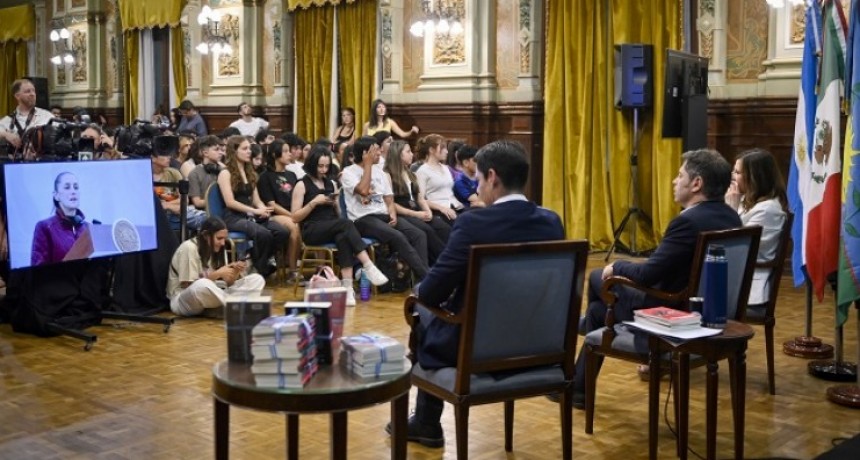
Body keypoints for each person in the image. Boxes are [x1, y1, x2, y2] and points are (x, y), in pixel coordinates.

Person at [387, 140, 565, 448]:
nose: (477, 186)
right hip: (539, 342)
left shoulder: (474, 223)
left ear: (492, 177)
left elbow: (432, 291)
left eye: (479, 178)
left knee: (419, 301)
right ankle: (426, 420)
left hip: (478, 348)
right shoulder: (551, 222)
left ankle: (427, 422)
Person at [569, 148, 743, 408]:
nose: (674, 181)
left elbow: (649, 275)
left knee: (597, 277)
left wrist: (616, 266)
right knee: (598, 309)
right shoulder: (731, 216)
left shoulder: (687, 222)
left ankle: (587, 331)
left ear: (696, 184)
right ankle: (580, 384)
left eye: (679, 175)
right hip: (711, 309)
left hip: (675, 313)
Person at [290, 145, 389, 305]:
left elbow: (337, 214)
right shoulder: (302, 184)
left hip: (331, 226)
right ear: (312, 164)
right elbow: (294, 217)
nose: (323, 169)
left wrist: (335, 203)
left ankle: (348, 290)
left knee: (343, 236)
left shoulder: (330, 183)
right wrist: (313, 203)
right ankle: (368, 265)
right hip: (311, 229)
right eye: (320, 166)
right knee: (345, 225)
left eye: (326, 166)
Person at [340, 136, 431, 280]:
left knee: (418, 234)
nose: (379, 152)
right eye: (375, 150)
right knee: (398, 237)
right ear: (365, 153)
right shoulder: (348, 172)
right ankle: (427, 278)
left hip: (383, 215)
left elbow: (388, 197)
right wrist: (368, 165)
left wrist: (392, 212)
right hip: (363, 219)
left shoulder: (380, 171)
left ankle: (420, 279)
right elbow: (363, 191)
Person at [217, 135, 289, 277]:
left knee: (282, 232)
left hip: (250, 215)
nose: (249, 151)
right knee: (262, 233)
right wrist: (255, 210)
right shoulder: (225, 173)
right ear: (234, 151)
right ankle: (261, 268)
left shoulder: (250, 172)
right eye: (245, 149)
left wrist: (263, 209)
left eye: (249, 148)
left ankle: (256, 263)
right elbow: (229, 202)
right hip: (233, 217)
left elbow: (256, 199)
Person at [725, 148, 788, 306]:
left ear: (755, 178)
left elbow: (739, 247)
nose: (732, 177)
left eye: (737, 173)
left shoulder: (768, 209)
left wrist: (730, 210)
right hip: (734, 273)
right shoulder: (746, 200)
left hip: (747, 282)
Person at [167, 217, 266, 316]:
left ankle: (228, 307)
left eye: (224, 238)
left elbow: (228, 284)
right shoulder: (189, 248)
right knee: (202, 284)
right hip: (183, 300)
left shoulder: (219, 248)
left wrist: (234, 273)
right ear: (206, 235)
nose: (223, 243)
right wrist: (218, 273)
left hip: (213, 295)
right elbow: (189, 286)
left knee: (256, 279)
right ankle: (239, 307)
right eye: (219, 238)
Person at [383, 140, 449, 264]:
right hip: (403, 212)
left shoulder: (411, 173)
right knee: (426, 231)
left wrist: (427, 211)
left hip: (417, 209)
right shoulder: (388, 175)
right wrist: (416, 214)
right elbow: (391, 203)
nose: (412, 154)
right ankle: (439, 265)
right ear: (398, 154)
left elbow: (420, 198)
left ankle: (445, 262)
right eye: (408, 152)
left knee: (443, 227)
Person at [257, 139, 303, 283]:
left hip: (293, 213)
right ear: (275, 155)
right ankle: (293, 271)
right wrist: (293, 216)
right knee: (293, 225)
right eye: (285, 151)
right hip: (274, 214)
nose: (290, 154)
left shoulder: (292, 175)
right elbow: (272, 204)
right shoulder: (265, 177)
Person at [31, 172, 91, 266]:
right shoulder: (45, 227)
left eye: (76, 187)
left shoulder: (89, 228)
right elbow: (38, 270)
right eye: (67, 187)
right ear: (56, 195)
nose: (73, 191)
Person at [415, 134, 464, 225]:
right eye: (443, 148)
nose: (446, 151)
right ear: (431, 150)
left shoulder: (446, 168)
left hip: (456, 206)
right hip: (439, 210)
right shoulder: (422, 171)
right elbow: (420, 199)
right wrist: (442, 208)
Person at [0, 79, 54, 157]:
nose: (32, 94)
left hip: (44, 163)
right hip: (17, 165)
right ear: (17, 96)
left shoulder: (47, 116)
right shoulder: (7, 121)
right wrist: (5, 134)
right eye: (27, 91)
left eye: (33, 91)